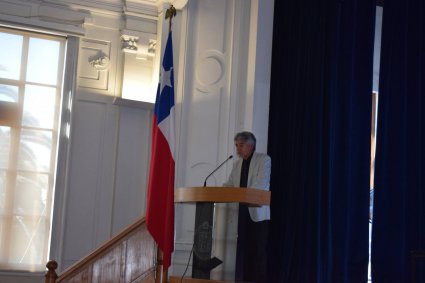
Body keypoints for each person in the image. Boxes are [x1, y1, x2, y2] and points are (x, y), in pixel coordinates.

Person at [223, 131, 271, 283]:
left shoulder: (263, 160)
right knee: (242, 252)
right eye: (236, 145)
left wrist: (239, 193)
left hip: (257, 214)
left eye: (241, 145)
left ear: (251, 145)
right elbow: (230, 184)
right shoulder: (237, 164)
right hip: (240, 214)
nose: (237, 149)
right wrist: (219, 190)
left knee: (258, 253)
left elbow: (261, 184)